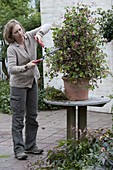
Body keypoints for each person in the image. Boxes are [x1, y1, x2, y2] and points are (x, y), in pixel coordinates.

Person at [3, 19, 51, 160]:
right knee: (18, 118)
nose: (20, 33)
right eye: (16, 32)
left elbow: (48, 25)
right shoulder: (12, 49)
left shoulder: (30, 36)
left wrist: (40, 34)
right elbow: (12, 69)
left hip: (32, 82)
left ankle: (31, 146)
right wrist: (26, 66)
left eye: (20, 29)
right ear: (11, 35)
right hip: (18, 86)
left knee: (32, 116)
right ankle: (19, 149)